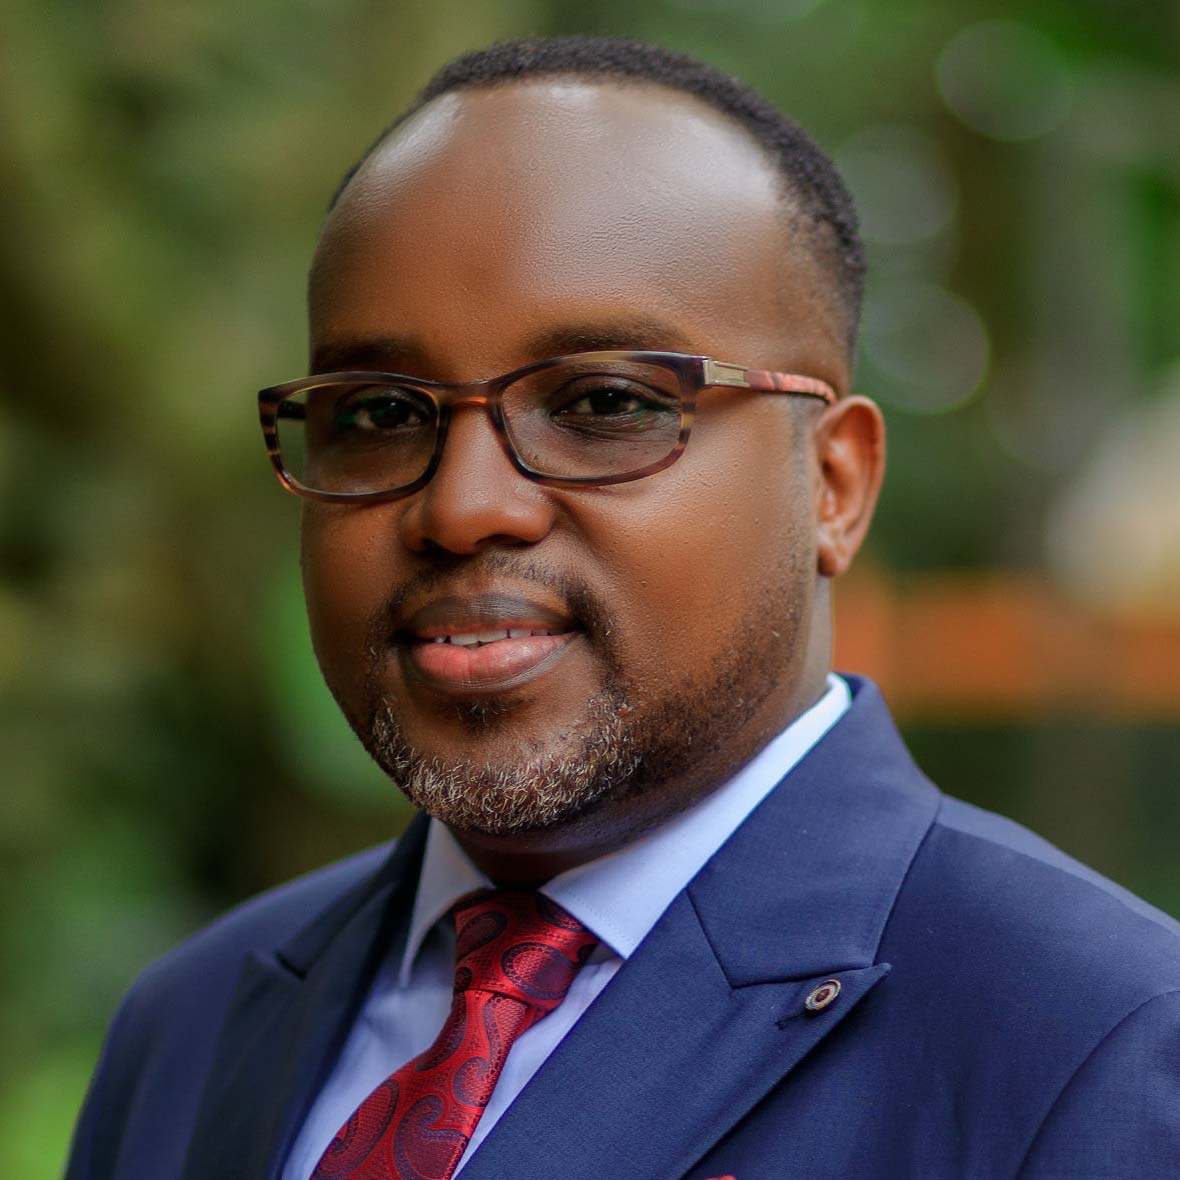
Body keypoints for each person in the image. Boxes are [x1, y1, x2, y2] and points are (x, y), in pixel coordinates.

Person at [67, 36, 1180, 1180]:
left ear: (833, 486)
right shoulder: (190, 1028)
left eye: (603, 402)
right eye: (380, 413)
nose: (462, 505)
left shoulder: (1099, 1048)